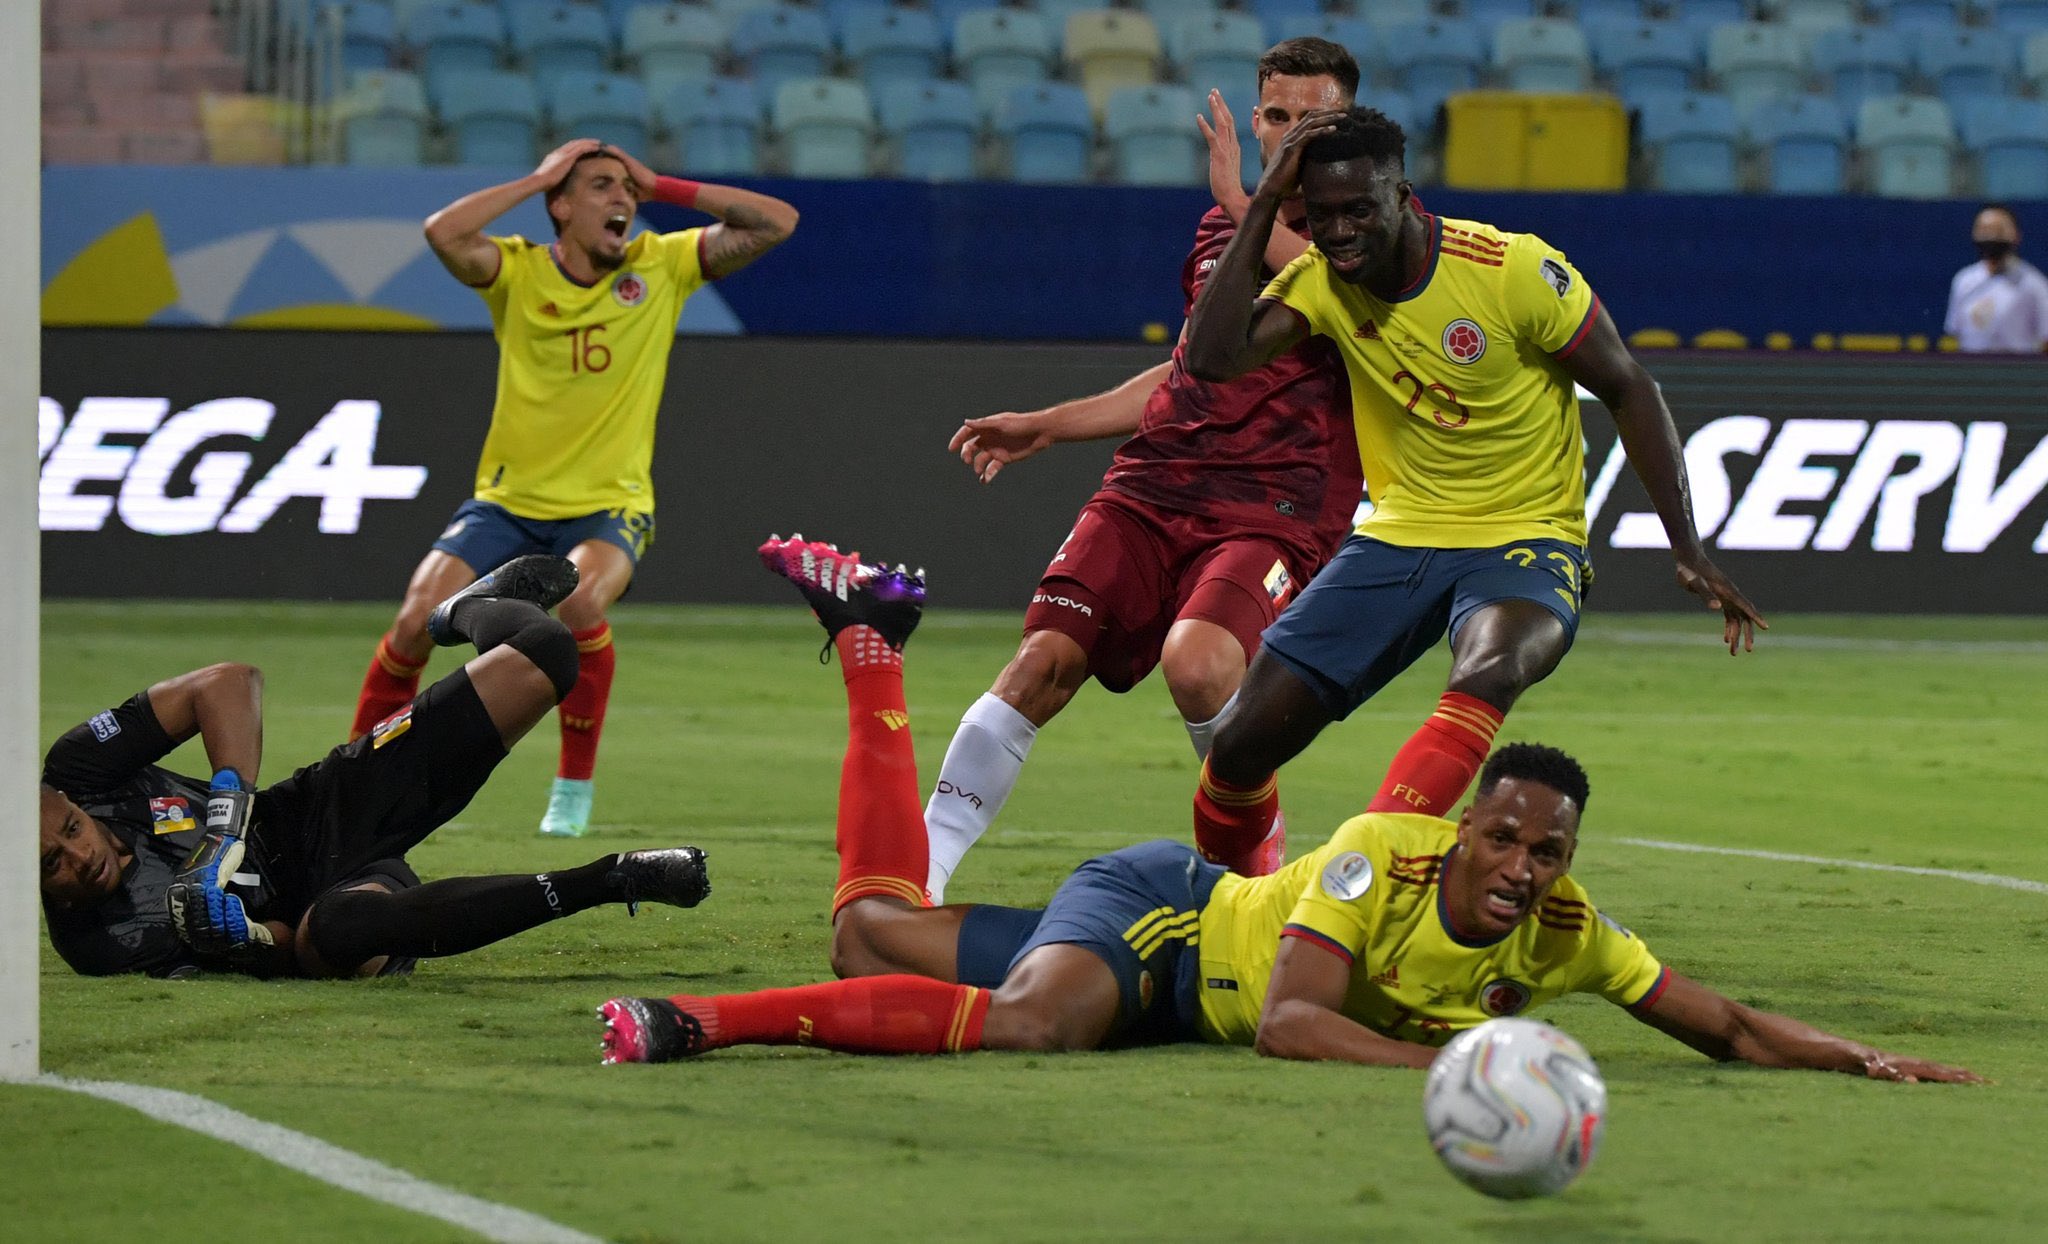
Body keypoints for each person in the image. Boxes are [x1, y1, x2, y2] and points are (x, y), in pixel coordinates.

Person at [594, 538, 1974, 1088]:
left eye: (1546, 853)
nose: (1518, 867)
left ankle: (870, 647)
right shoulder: (1384, 856)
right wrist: (1460, 1072)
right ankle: (693, 1024)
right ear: (1470, 826)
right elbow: (1296, 1021)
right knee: (1033, 1024)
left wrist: (1857, 1059)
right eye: (1502, 836)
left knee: (869, 933)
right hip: (1162, 924)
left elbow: (1718, 1022)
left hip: (1182, 975)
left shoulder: (1562, 935)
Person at [1175, 108, 1768, 871]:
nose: (1339, 231)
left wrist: (1687, 548)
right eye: (1320, 215)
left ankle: (1362, 881)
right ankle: (1233, 910)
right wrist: (1260, 204)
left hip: (1525, 538)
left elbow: (1629, 386)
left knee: (1490, 668)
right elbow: (1212, 360)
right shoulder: (1319, 281)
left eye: (1359, 210)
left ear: (1405, 197)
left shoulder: (1511, 269)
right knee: (1237, 750)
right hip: (1398, 535)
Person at [926, 38, 1365, 894]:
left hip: (1274, 504)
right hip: (1156, 483)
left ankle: (1248, 867)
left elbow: (1345, 301)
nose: (1290, 134)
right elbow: (1189, 366)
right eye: (1276, 116)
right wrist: (1052, 425)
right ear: (1254, 118)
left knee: (1198, 664)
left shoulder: (1376, 234)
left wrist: (1245, 201)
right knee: (1041, 661)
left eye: (1313, 119)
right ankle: (920, 878)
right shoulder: (1221, 230)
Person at [348, 139, 800, 838]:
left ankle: (572, 788)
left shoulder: (663, 264)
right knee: (415, 620)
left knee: (580, 598)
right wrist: (535, 176)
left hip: (608, 505)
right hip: (505, 503)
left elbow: (776, 223)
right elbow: (443, 232)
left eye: (626, 189)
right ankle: (355, 777)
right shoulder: (518, 272)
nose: (621, 199)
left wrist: (663, 185)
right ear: (559, 205)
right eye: (599, 187)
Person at [42, 556, 711, 979]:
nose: (78, 856)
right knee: (338, 931)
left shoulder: (79, 768)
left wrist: (224, 827)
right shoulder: (102, 941)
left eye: (71, 830)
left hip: (314, 809)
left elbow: (227, 683)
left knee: (547, 652)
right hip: (320, 919)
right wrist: (244, 940)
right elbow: (286, 950)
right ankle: (614, 877)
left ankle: (461, 612)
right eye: (50, 865)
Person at [1943, 203, 2048, 354]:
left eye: (1999, 231)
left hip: (2018, 372)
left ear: (2016, 235)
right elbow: (1955, 332)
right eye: (1984, 231)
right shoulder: (1964, 280)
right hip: (1971, 371)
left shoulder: (2034, 284)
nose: (1991, 237)